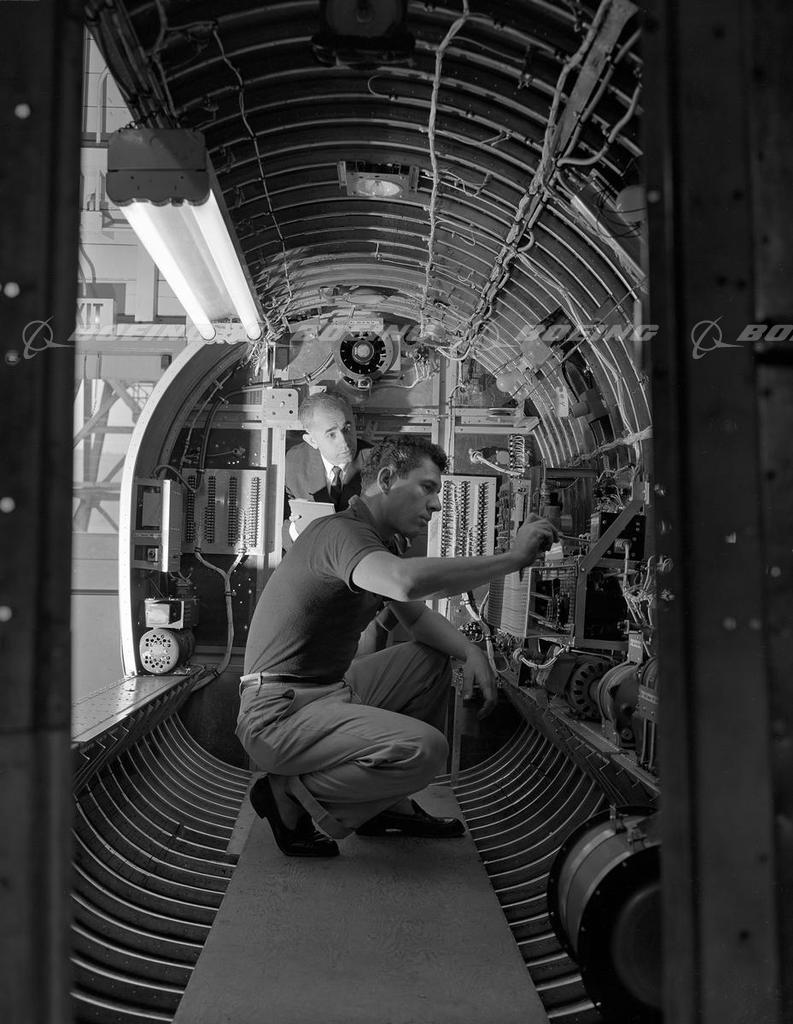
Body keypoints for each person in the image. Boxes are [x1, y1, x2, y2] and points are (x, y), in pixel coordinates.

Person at [236, 435, 557, 858]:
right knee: (426, 749)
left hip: (326, 693)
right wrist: (512, 559)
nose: (436, 504)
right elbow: (404, 583)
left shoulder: (377, 544)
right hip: (276, 715)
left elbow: (417, 619)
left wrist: (470, 652)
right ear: (386, 480)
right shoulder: (339, 533)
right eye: (427, 488)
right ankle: (288, 796)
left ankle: (382, 805)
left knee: (429, 660)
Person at [284, 393, 371, 543]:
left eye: (347, 428)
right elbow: (281, 526)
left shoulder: (379, 461)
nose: (344, 442)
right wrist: (297, 530)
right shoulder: (294, 462)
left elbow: (400, 537)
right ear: (312, 441)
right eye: (331, 435)